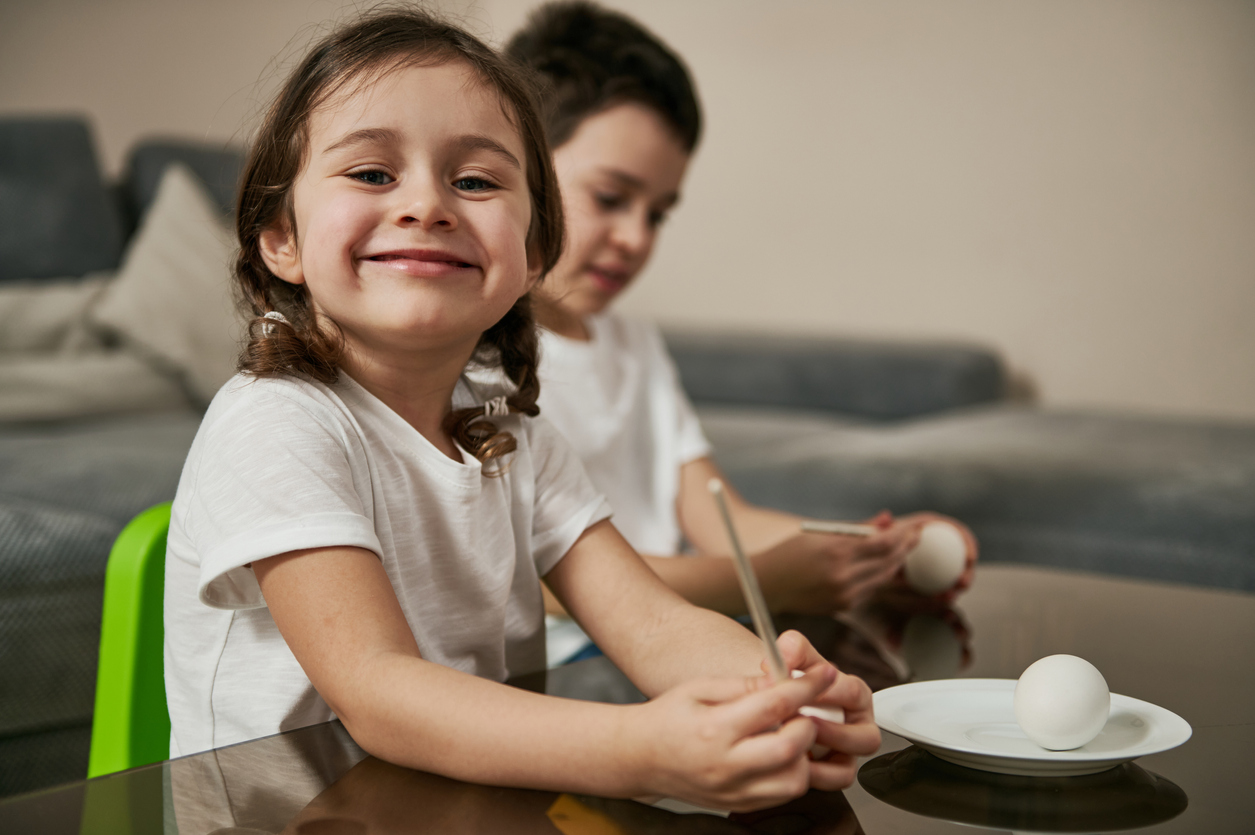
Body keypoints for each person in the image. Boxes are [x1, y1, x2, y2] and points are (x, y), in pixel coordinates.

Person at [162, 7, 880, 812]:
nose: (426, 204)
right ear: (279, 238)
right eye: (372, 173)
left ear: (533, 253)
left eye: (474, 180)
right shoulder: (275, 421)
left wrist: (776, 695)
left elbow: (653, 625)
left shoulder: (514, 434)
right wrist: (638, 749)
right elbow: (379, 691)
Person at [503, 2, 978, 663]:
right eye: (611, 198)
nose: (636, 238)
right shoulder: (476, 348)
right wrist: (762, 579)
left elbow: (724, 519)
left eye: (659, 214)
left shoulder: (633, 346)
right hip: (566, 658)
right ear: (516, 167)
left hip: (673, 635)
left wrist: (866, 551)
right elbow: (536, 575)